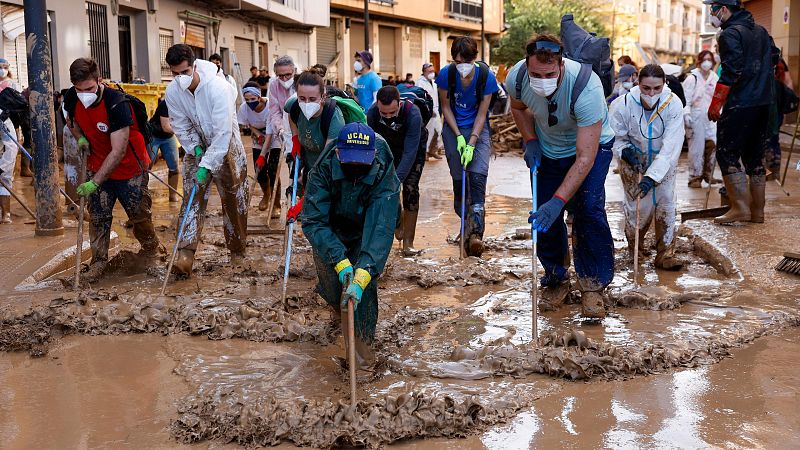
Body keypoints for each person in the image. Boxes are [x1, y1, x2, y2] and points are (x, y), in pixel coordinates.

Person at [505, 34, 616, 318]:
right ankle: (556, 277)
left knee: (589, 209)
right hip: (548, 148)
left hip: (591, 148)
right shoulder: (516, 78)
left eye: (550, 74)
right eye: (536, 74)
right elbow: (518, 109)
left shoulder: (586, 87)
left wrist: (559, 201)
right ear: (527, 66)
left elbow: (585, 157)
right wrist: (529, 139)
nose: (542, 79)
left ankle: (592, 285)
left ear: (562, 65)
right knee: (544, 217)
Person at [302, 122, 400, 371]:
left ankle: (362, 360)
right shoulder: (323, 168)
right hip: (330, 228)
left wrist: (364, 270)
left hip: (365, 226)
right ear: (337, 153)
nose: (356, 167)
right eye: (350, 161)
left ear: (373, 155)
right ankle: (339, 310)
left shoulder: (382, 165)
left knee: (363, 291)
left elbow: (381, 226)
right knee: (333, 287)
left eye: (362, 161)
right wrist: (340, 260)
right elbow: (314, 221)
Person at [63, 57, 162, 281]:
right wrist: (80, 139)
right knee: (98, 216)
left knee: (139, 215)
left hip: (129, 168)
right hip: (97, 162)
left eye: (88, 88)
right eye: (79, 89)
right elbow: (71, 121)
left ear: (99, 80)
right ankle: (98, 262)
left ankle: (151, 251)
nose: (84, 94)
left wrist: (94, 182)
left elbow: (118, 151)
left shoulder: (116, 103)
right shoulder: (72, 97)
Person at [165, 44, 249, 274]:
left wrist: (210, 163)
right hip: (198, 146)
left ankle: (237, 250)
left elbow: (222, 132)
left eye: (184, 73)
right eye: (174, 74)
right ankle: (185, 254)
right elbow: (179, 124)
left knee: (234, 198)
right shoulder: (172, 92)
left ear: (194, 66)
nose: (180, 78)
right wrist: (195, 148)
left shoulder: (218, 88)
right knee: (192, 197)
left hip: (227, 145)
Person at [705, 0, 778, 224]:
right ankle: (757, 212)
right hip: (764, 102)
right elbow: (775, 57)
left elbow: (731, 70)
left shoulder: (729, 34)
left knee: (726, 153)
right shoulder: (762, 31)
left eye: (713, 9)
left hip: (740, 103)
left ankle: (739, 208)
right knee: (754, 157)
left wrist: (716, 104)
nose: (711, 14)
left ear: (724, 9)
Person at [610, 64, 685, 271]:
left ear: (664, 85)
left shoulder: (673, 104)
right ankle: (636, 248)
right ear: (638, 83)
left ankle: (666, 254)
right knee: (637, 206)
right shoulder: (623, 104)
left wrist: (652, 176)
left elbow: (671, 145)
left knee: (666, 202)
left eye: (657, 88)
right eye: (646, 88)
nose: (651, 93)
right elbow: (615, 137)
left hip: (664, 161)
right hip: (633, 161)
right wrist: (625, 151)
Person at [437, 36, 499, 257]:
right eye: (457, 61)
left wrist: (472, 141)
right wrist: (458, 137)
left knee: (477, 178)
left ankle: (476, 237)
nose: (461, 66)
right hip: (453, 128)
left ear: (474, 58)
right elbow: (445, 107)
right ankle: (465, 227)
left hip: (478, 130)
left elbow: (483, 113)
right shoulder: (447, 74)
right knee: (459, 180)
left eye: (466, 61)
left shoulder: (486, 77)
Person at [367, 86, 427, 255]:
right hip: (386, 148)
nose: (387, 117)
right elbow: (372, 146)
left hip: (413, 150)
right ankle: (398, 220)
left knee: (410, 188)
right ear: (377, 105)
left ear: (399, 104)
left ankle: (409, 242)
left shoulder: (413, 114)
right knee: (384, 187)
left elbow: (409, 153)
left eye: (391, 113)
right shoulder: (372, 114)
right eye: (383, 113)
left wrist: (396, 180)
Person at [283, 71, 346, 221]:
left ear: (323, 97)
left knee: (326, 214)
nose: (306, 104)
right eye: (302, 98)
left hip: (330, 170)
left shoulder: (334, 118)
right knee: (310, 217)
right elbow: (291, 116)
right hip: (309, 160)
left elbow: (326, 162)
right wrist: (295, 139)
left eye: (312, 99)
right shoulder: (293, 106)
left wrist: (305, 200)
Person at [238, 83, 280, 215]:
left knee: (273, 169)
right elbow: (248, 124)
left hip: (274, 136)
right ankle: (266, 195)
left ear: (259, 97)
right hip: (259, 137)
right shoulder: (244, 109)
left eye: (253, 99)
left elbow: (271, 129)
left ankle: (276, 203)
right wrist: (257, 134)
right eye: (247, 99)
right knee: (259, 169)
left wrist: (264, 151)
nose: (250, 102)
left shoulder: (270, 107)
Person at [682, 50, 720, 188]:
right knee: (696, 148)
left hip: (710, 117)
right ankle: (694, 177)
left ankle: (708, 173)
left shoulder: (714, 77)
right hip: (695, 116)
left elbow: (718, 97)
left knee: (712, 144)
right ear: (699, 61)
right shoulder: (692, 78)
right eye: (704, 59)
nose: (707, 62)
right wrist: (686, 114)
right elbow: (685, 98)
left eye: (709, 59)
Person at [765, 58, 794, 180]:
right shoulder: (779, 61)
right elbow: (789, 84)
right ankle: (774, 170)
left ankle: (767, 170)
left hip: (769, 104)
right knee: (773, 138)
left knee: (766, 138)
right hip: (776, 106)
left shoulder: (764, 59)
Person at [147, 96, 181, 202]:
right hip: (154, 135)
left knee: (174, 167)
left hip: (169, 137)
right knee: (147, 165)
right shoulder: (165, 104)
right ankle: (142, 193)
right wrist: (183, 132)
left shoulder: (184, 105)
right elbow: (166, 127)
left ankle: (173, 196)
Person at [0, 57, 20, 221]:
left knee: (5, 176)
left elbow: (12, 146)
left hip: (6, 125)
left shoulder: (12, 85)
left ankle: (5, 213)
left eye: (4, 67)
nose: (2, 70)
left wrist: (3, 167)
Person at [268, 55, 297, 159]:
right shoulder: (274, 86)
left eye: (288, 75)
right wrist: (280, 128)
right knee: (291, 162)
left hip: (303, 129)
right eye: (280, 76)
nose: (284, 79)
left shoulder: (301, 83)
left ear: (294, 71)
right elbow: (274, 110)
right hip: (285, 130)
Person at [417, 63, 444, 160]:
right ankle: (426, 152)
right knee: (428, 132)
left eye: (433, 71)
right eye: (429, 71)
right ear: (424, 71)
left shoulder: (433, 81)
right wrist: (427, 109)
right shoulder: (420, 82)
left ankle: (433, 151)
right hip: (427, 110)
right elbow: (420, 97)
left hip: (435, 109)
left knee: (438, 130)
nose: (432, 73)